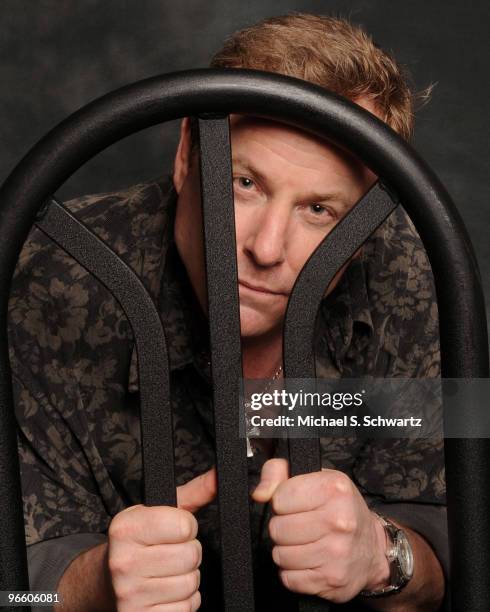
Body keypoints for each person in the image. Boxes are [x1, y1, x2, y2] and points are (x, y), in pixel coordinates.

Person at [8, 13, 447, 612]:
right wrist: (98, 587)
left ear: (367, 224)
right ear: (188, 153)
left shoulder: (411, 277)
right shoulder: (49, 278)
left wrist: (384, 556)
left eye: (319, 209)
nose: (266, 249)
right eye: (244, 182)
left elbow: (454, 553)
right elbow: (15, 590)